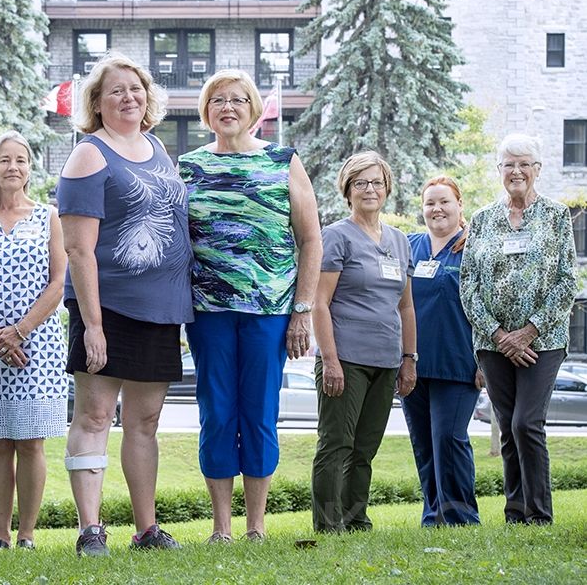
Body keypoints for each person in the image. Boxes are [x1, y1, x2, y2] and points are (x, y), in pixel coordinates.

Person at [56, 52, 193, 556]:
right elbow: (78, 250)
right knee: (95, 416)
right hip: (107, 308)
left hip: (160, 310)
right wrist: (93, 325)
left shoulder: (155, 146)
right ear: (97, 102)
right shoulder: (88, 155)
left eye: (136, 89)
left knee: (145, 422)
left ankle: (147, 530)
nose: (128, 97)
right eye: (116, 90)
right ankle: (91, 530)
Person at [177, 69, 322, 543]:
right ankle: (221, 527)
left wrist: (302, 311)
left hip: (270, 312)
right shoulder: (188, 167)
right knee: (217, 412)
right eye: (218, 100)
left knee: (259, 412)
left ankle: (256, 526)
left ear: (254, 109)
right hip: (208, 312)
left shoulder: (283, 161)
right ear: (206, 112)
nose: (228, 107)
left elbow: (311, 240)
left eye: (238, 99)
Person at [460, 133, 577, 525]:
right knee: (509, 427)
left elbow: (567, 282)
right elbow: (468, 284)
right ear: (499, 170)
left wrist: (528, 332)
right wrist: (499, 336)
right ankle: (516, 512)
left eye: (524, 163)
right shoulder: (482, 220)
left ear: (537, 169)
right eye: (509, 164)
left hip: (543, 342)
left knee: (527, 423)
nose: (516, 171)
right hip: (492, 345)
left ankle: (539, 514)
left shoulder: (557, 216)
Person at [0, 131, 67, 551]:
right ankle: (1, 536)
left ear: (29, 168)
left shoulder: (47, 216)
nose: (13, 167)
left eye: (20, 160)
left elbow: (58, 284)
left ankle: (27, 535)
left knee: (30, 440)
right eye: (5, 160)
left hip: (36, 344)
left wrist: (20, 331)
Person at [310, 151, 417, 533]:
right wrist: (331, 360)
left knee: (365, 447)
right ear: (348, 190)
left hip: (386, 360)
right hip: (346, 358)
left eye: (376, 182)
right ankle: (328, 524)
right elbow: (319, 303)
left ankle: (356, 519)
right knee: (336, 443)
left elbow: (406, 306)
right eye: (360, 183)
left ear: (387, 188)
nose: (369, 189)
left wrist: (409, 358)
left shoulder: (400, 241)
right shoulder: (337, 236)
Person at [404, 175, 481, 527]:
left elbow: (487, 305)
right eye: (430, 203)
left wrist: (484, 360)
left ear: (459, 205)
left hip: (458, 363)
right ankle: (433, 515)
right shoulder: (409, 246)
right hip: (413, 365)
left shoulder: (474, 247)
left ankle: (461, 517)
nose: (437, 209)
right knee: (424, 444)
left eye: (444, 201)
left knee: (449, 439)